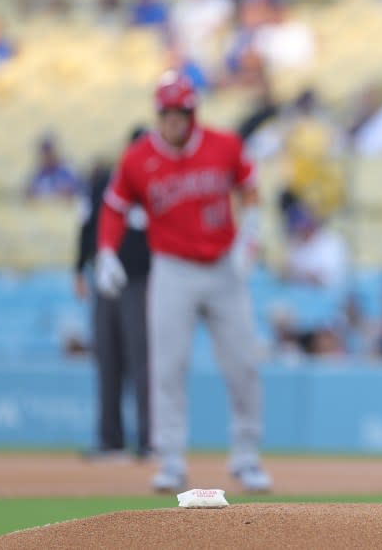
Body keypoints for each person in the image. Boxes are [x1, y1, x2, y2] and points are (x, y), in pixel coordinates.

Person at [94, 72, 271, 493]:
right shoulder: (138, 158)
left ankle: (246, 455)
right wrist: (105, 251)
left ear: (193, 113)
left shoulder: (223, 145)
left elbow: (250, 187)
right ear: (158, 114)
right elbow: (113, 207)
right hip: (172, 268)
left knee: (243, 363)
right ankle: (170, 458)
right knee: (167, 366)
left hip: (223, 266)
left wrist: (252, 232)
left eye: (181, 113)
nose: (173, 121)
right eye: (167, 113)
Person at [75, 127, 151, 460]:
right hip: (105, 282)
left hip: (141, 282)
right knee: (107, 359)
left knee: (142, 361)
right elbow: (86, 227)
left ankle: (151, 441)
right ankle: (111, 440)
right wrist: (78, 268)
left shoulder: (156, 185)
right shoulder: (105, 182)